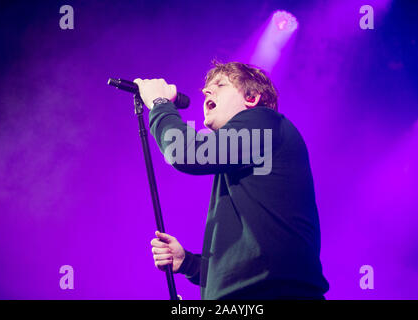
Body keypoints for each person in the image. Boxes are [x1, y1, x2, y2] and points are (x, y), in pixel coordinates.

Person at [133, 61, 329, 300]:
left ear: (252, 97)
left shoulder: (265, 121)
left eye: (220, 84)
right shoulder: (241, 160)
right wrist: (187, 263)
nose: (206, 91)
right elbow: (245, 269)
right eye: (206, 87)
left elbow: (185, 152)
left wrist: (159, 104)